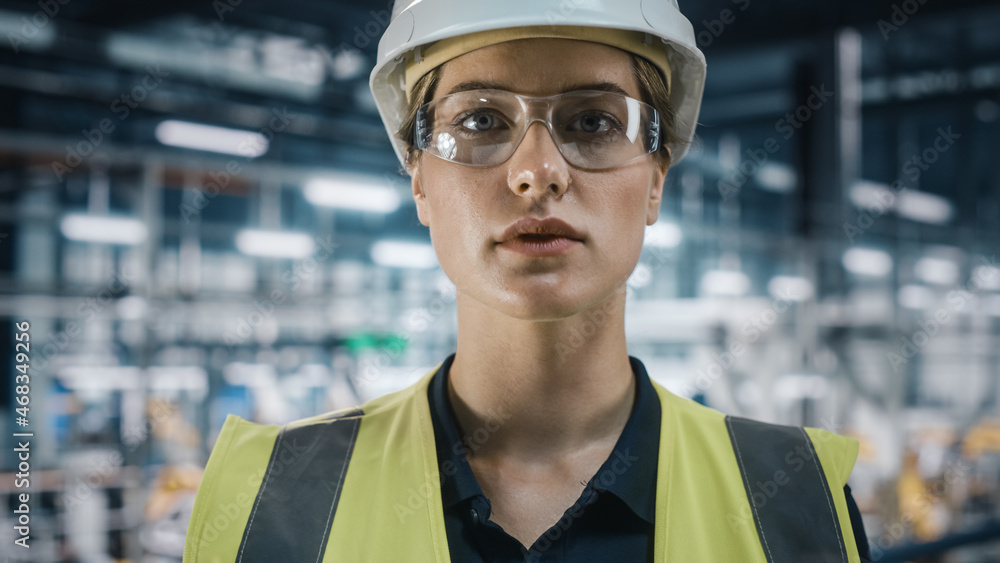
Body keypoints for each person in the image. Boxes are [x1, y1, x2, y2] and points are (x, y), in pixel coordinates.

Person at [183, 1, 873, 561]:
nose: (538, 169)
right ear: (419, 178)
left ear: (657, 179)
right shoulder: (268, 497)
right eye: (481, 120)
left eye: (595, 121)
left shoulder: (795, 499)